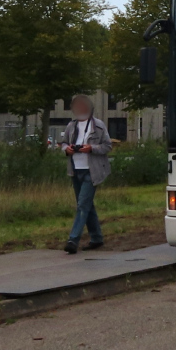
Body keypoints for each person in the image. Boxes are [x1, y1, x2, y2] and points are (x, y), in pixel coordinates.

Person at [59, 94, 112, 254]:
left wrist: (91, 148)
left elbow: (107, 146)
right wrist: (66, 149)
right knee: (87, 205)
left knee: (82, 204)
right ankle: (96, 238)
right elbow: (63, 143)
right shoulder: (71, 126)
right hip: (75, 170)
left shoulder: (99, 126)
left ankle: (73, 240)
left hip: (92, 171)